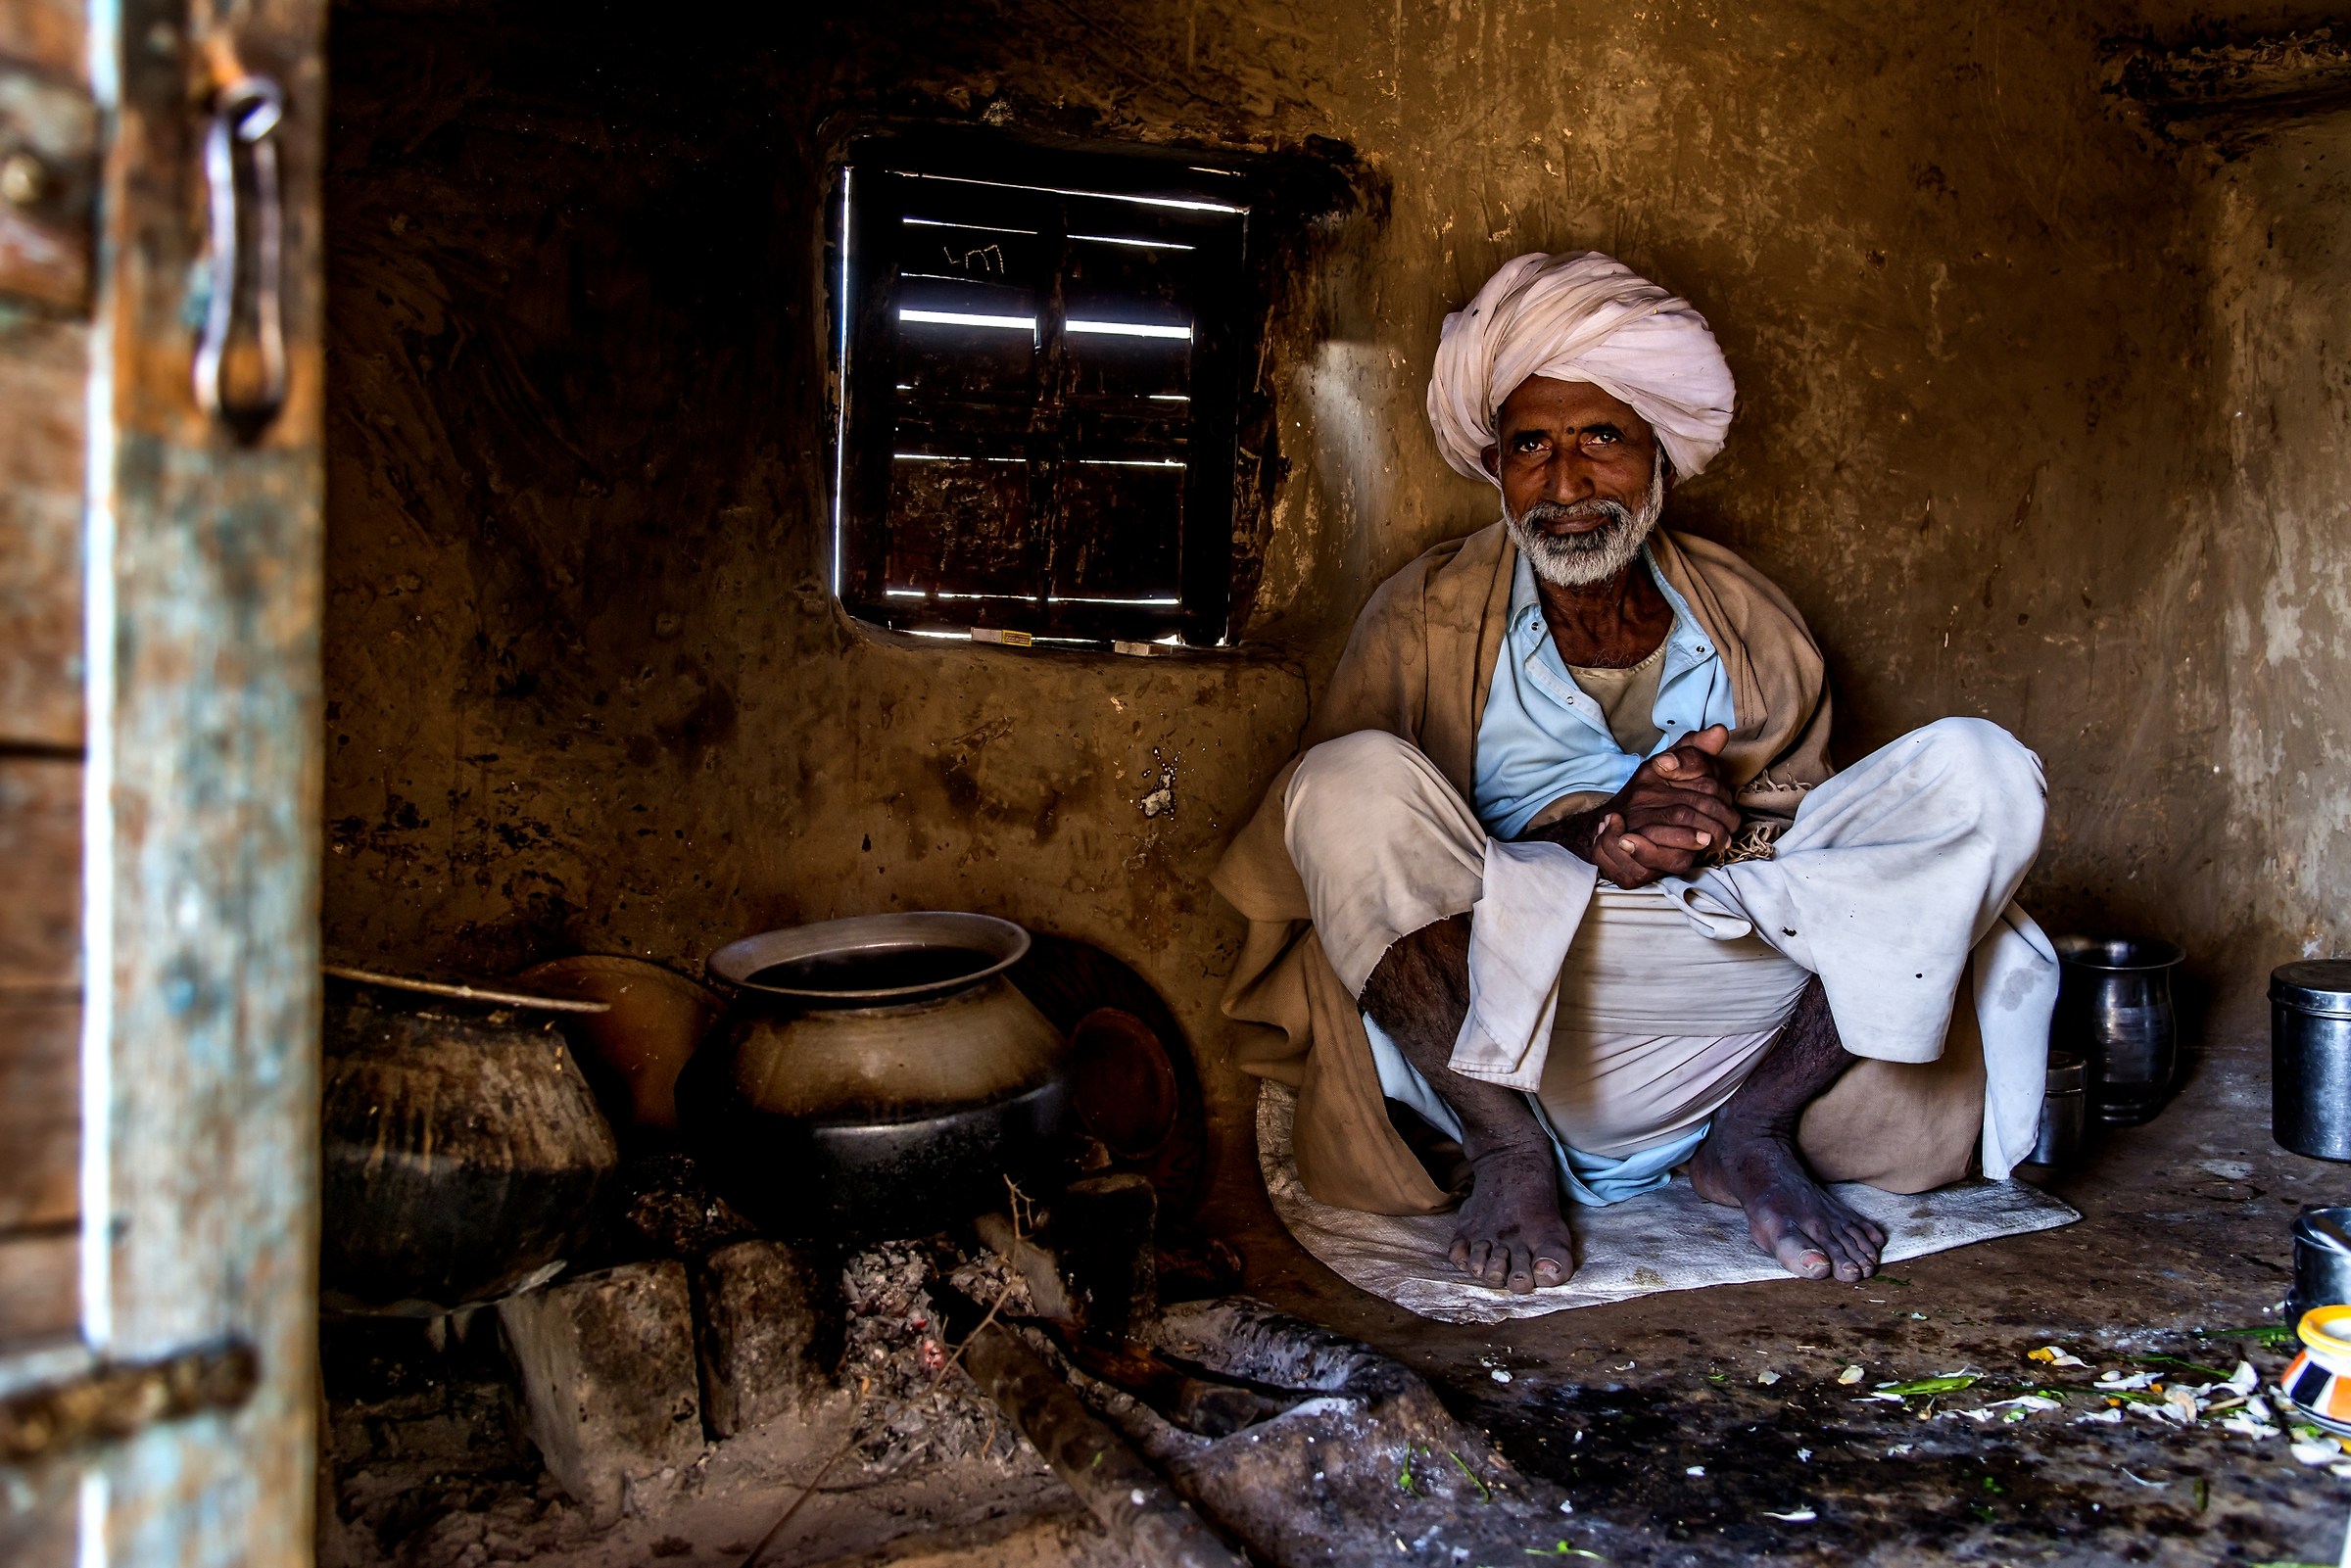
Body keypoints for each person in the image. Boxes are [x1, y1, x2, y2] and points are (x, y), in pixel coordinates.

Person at [1213, 251, 2058, 1297]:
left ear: (1659, 455)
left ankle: (1750, 1134)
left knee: (1982, 769)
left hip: (1736, 1008)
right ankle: (1508, 1153)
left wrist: (1708, 831)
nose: (1565, 484)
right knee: (1342, 781)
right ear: (1499, 468)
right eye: (1531, 447)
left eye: (1601, 438)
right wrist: (1593, 838)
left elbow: (1827, 865)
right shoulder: (1424, 616)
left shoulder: (1745, 616)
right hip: (1499, 1011)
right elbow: (1351, 870)